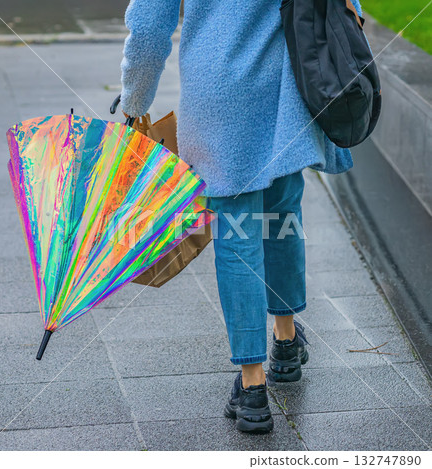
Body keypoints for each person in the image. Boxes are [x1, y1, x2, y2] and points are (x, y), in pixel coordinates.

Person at [120, 0, 363, 434]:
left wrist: (135, 99)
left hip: (219, 96)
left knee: (237, 235)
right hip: (291, 89)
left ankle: (253, 388)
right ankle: (286, 342)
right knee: (284, 212)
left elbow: (148, 26)